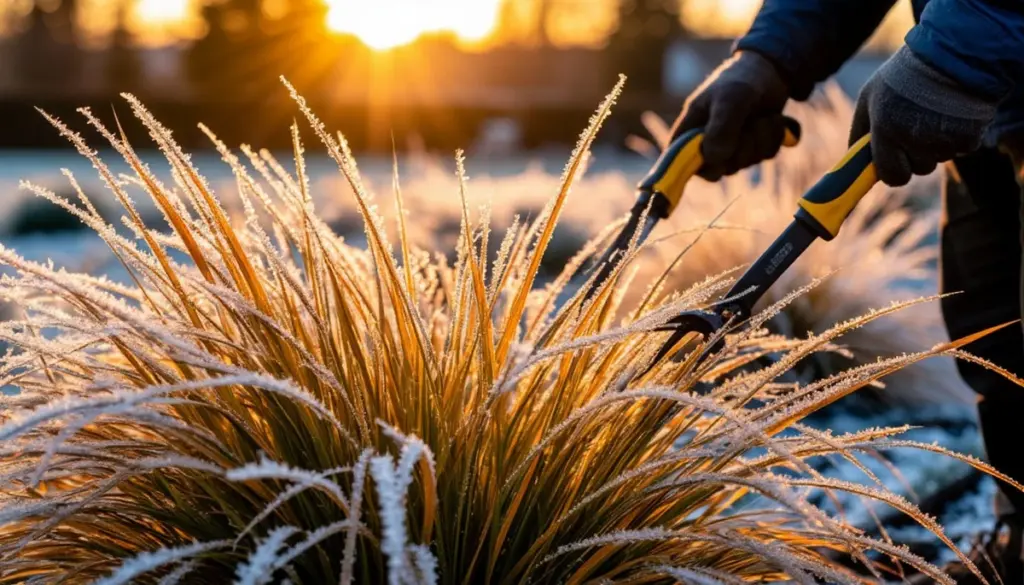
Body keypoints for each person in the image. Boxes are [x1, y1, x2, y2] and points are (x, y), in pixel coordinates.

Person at [670, 1, 1024, 582]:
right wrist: (770, 56)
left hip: (978, 56)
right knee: (996, 340)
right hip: (992, 107)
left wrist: (958, 51)